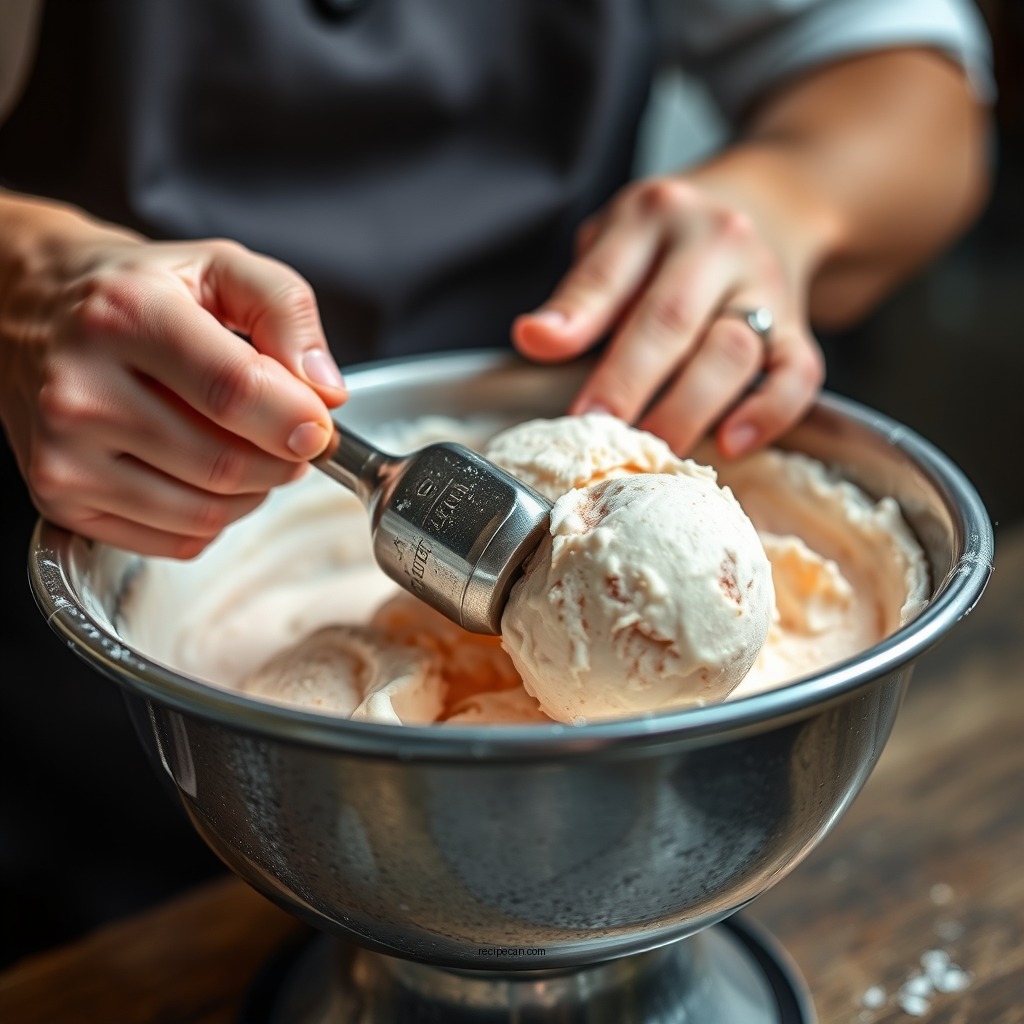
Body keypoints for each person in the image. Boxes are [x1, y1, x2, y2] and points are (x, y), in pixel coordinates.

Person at [0, 0, 996, 961]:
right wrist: (25, 266)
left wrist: (783, 200)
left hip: (607, 431)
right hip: (109, 709)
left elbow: (918, 91)